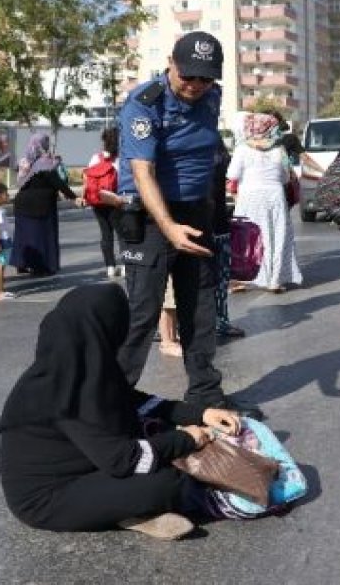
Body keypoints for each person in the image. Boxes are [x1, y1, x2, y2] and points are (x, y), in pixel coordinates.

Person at [0, 285, 242, 539]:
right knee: (170, 482)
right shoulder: (60, 391)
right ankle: (126, 513)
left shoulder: (79, 363)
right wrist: (188, 439)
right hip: (48, 498)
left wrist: (200, 415)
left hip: (90, 464)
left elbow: (133, 400)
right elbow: (124, 460)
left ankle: (122, 507)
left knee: (163, 452)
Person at [115, 32, 261, 419]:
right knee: (142, 313)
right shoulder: (144, 104)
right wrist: (169, 227)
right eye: (188, 76)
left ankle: (206, 395)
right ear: (170, 62)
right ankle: (110, 401)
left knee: (200, 308)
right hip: (150, 216)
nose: (196, 85)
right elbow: (143, 173)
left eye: (205, 78)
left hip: (196, 212)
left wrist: (213, 214)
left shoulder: (211, 98)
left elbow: (207, 158)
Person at [227, 112, 301, 293]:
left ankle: (245, 277)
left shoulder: (242, 149)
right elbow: (286, 177)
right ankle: (274, 280)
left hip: (249, 196)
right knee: (276, 235)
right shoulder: (279, 150)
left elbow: (233, 175)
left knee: (248, 236)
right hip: (274, 195)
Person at [11, 134, 80, 277]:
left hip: (22, 203)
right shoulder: (46, 163)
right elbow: (58, 182)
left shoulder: (24, 161)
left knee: (23, 236)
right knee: (41, 236)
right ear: (43, 145)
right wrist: (74, 198)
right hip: (41, 205)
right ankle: (41, 266)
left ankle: (22, 263)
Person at [211, 141, 245, 339]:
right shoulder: (216, 146)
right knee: (219, 277)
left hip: (208, 221)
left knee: (217, 277)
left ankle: (217, 321)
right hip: (213, 221)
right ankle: (219, 321)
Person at [86, 127, 123, 279]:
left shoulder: (96, 158)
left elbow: (87, 179)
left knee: (105, 235)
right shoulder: (121, 159)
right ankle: (126, 265)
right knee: (122, 234)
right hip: (116, 201)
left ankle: (109, 267)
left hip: (99, 201)